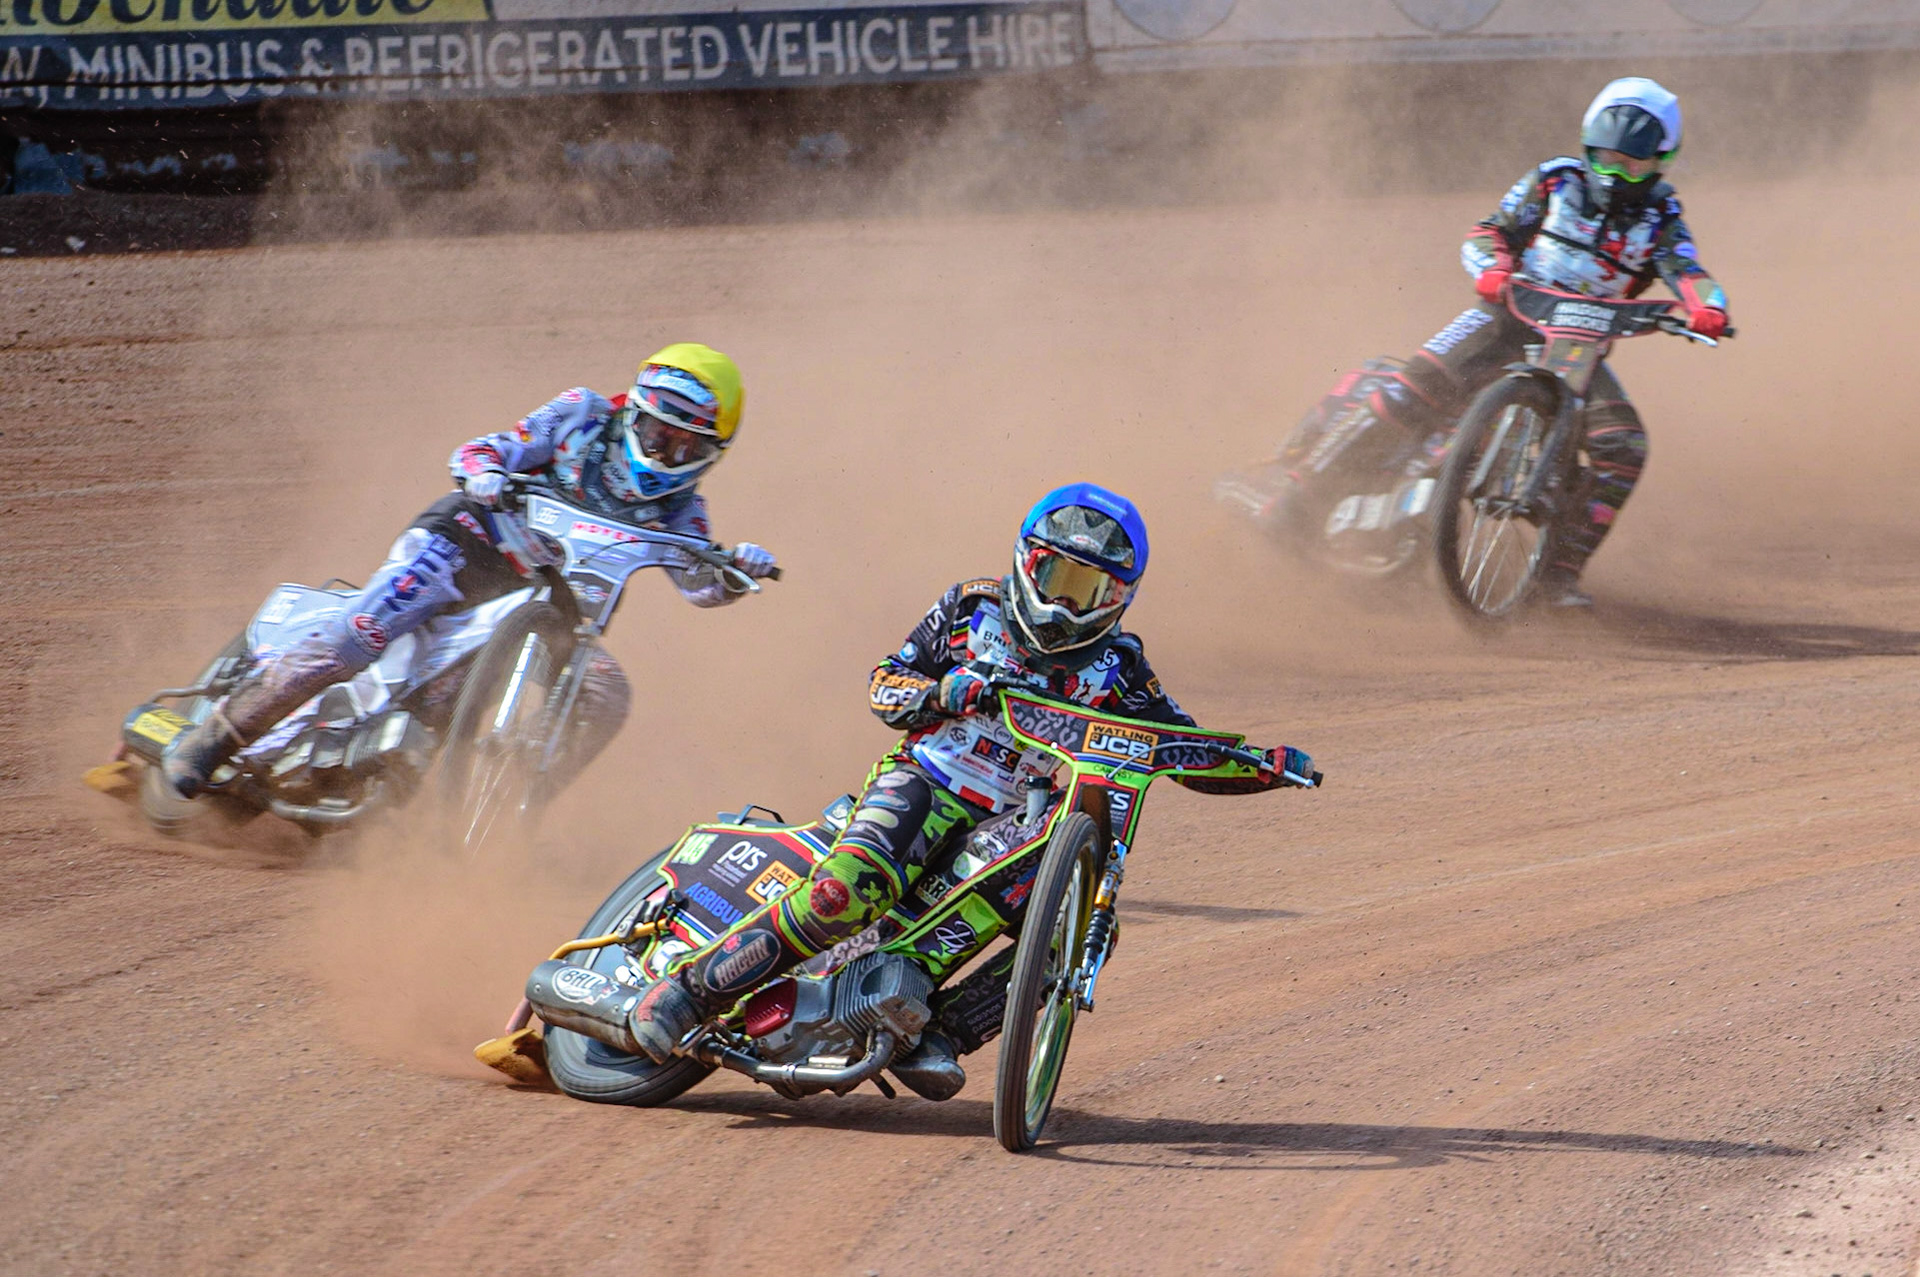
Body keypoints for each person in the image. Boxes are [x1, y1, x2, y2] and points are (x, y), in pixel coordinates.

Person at [614, 482, 1315, 1094]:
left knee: (1080, 928)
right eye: (1058, 578)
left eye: (1091, 591)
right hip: (926, 776)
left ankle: (934, 1032)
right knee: (848, 889)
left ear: (1119, 599)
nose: (1069, 604)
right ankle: (686, 991)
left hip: (1017, 815)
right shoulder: (969, 607)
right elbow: (886, 683)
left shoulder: (1122, 667)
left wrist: (1263, 763)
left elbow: (1178, 747)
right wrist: (946, 691)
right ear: (1027, 560)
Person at [162, 342, 778, 798]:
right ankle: (213, 739)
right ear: (635, 412)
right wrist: (483, 471)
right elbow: (493, 447)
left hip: (551, 610)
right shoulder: (581, 415)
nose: (667, 452)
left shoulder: (683, 511)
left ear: (709, 454)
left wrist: (735, 571)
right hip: (469, 543)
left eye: (686, 447)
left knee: (608, 694)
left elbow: (700, 583)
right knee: (363, 633)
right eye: (658, 432)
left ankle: (516, 804)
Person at [1363, 76, 1730, 607]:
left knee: (1623, 446)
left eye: (1633, 165)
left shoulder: (1661, 217)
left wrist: (1707, 306)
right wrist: (1493, 267)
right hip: (1506, 318)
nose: (1616, 173)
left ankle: (1556, 577)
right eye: (1605, 158)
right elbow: (1489, 231)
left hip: (1578, 347)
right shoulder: (1555, 180)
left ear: (1662, 161)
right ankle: (1306, 492)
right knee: (1408, 391)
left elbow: (1686, 270)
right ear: (1587, 148)